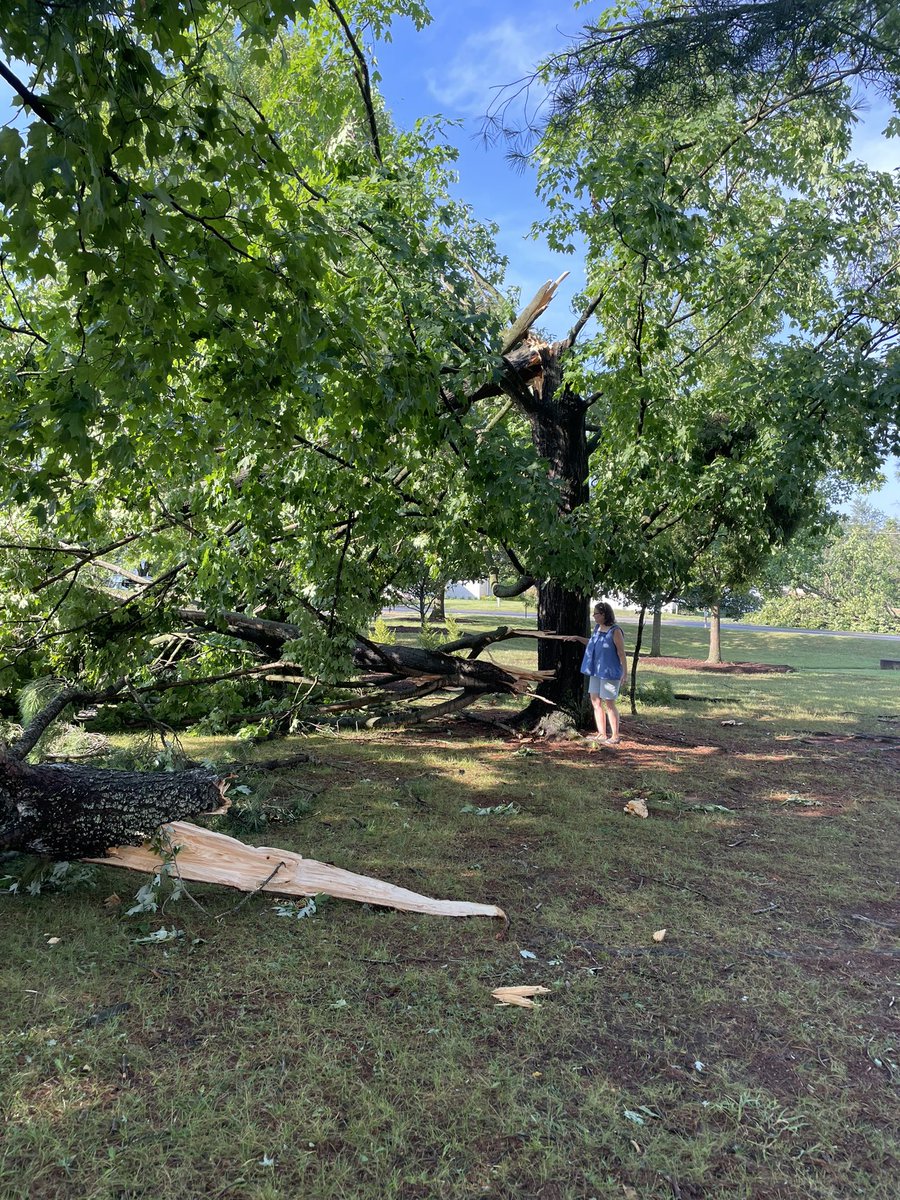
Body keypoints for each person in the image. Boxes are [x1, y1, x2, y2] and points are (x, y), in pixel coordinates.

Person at [580, 601, 627, 745]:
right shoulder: (597, 628)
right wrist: (577, 639)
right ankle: (601, 733)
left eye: (596, 613)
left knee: (609, 703)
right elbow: (592, 643)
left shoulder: (615, 631)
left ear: (604, 614)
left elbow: (621, 653)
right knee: (595, 701)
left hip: (610, 672)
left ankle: (615, 735)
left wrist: (625, 673)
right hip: (596, 671)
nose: (594, 616)